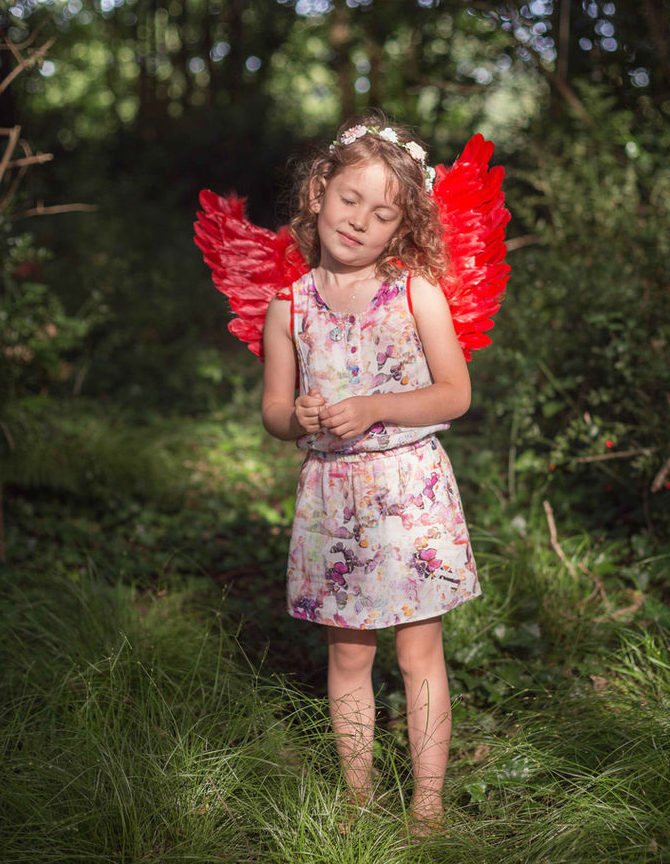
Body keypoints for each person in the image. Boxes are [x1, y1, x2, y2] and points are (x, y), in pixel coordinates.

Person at [260, 114, 483, 836]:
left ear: (400, 228)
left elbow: (455, 393)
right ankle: (357, 805)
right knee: (348, 656)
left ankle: (427, 807)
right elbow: (273, 414)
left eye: (382, 212)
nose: (359, 220)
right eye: (350, 199)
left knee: (419, 651)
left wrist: (374, 407)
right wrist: (304, 413)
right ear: (319, 193)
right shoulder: (286, 308)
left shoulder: (415, 292)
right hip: (332, 501)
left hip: (409, 494)